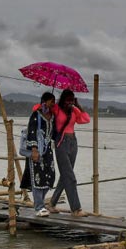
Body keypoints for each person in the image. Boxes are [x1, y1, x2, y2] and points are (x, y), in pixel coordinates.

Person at [46, 88, 91, 217]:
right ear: (63, 100)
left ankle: (51, 204)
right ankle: (76, 209)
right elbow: (39, 109)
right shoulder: (56, 109)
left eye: (71, 101)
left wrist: (78, 106)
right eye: (67, 101)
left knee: (65, 176)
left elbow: (86, 119)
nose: (69, 103)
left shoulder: (74, 110)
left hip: (73, 143)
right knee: (70, 177)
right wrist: (48, 105)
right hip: (61, 143)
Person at [20, 92, 56, 216]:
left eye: (54, 101)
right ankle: (39, 207)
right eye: (51, 101)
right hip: (36, 151)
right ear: (44, 101)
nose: (53, 103)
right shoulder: (36, 115)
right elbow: (31, 131)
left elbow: (54, 134)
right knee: (37, 178)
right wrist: (34, 149)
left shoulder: (52, 117)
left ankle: (40, 203)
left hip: (48, 152)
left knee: (49, 177)